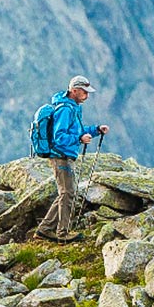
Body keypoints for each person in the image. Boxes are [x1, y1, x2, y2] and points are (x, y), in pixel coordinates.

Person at [32, 76, 109, 243]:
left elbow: (78, 130)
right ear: (74, 90)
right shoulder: (65, 109)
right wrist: (79, 139)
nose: (87, 96)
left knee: (65, 193)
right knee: (68, 193)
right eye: (84, 92)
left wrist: (96, 130)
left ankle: (45, 229)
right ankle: (63, 233)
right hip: (61, 156)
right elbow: (59, 137)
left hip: (65, 155)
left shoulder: (73, 107)